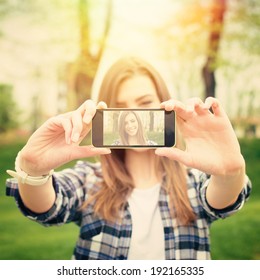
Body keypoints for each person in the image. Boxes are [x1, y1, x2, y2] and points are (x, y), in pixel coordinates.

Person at [6, 56, 251, 260]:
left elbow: (224, 197)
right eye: (121, 107)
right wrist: (33, 171)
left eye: (145, 102)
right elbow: (46, 208)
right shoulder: (89, 180)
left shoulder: (194, 181)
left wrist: (230, 172)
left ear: (164, 103)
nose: (134, 115)